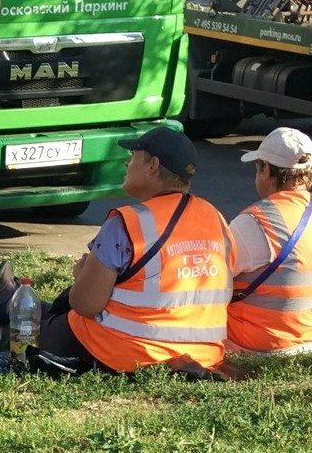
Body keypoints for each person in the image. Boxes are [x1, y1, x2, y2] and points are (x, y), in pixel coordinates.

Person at [32, 126, 234, 375]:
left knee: (43, 327)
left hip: (129, 352)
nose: (127, 162)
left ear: (153, 166)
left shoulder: (127, 222)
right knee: (50, 309)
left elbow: (85, 304)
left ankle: (11, 307)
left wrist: (81, 275)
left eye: (134, 156)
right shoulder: (215, 217)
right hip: (203, 355)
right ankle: (17, 301)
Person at [225, 127, 312, 356]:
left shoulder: (254, 222)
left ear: (265, 170)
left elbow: (210, 279)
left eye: (258, 166)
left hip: (260, 344)